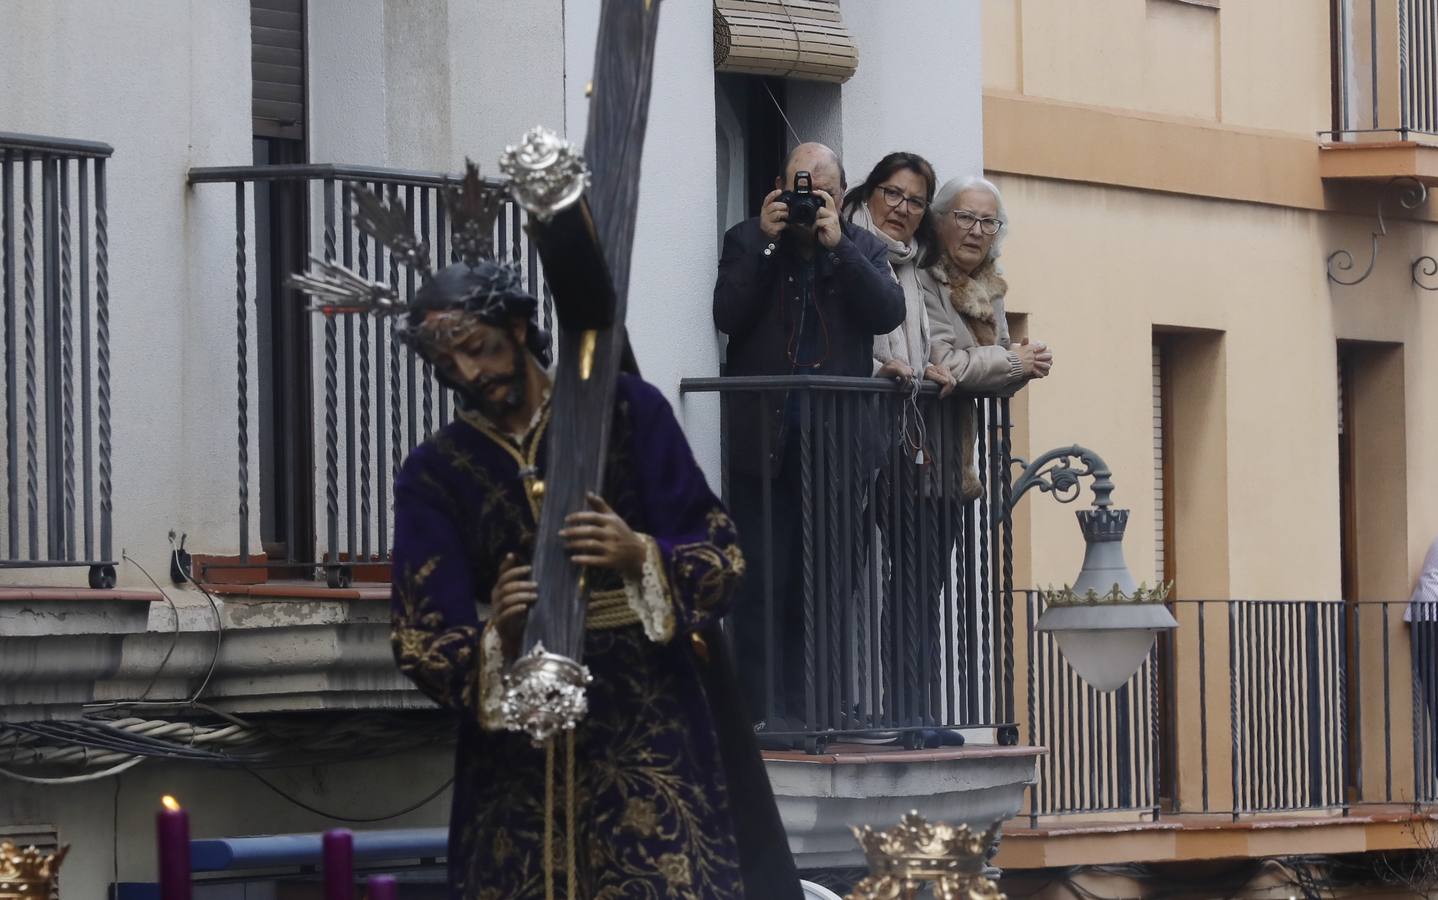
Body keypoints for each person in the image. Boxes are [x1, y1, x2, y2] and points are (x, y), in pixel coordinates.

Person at [293, 177, 801, 899]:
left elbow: (725, 556)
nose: (469, 373)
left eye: (478, 348)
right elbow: (420, 637)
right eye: (448, 364)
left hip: (647, 724)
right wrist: (498, 632)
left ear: (520, 329)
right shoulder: (436, 472)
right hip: (516, 758)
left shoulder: (626, 413)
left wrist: (641, 555)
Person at [713, 142, 906, 735]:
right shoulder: (749, 241)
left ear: (841, 197)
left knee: (825, 583)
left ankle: (817, 711)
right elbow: (728, 313)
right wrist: (771, 243)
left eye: (821, 193)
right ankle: (761, 712)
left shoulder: (861, 246)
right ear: (776, 186)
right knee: (760, 579)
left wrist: (839, 248)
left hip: (839, 449)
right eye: (800, 190)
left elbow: (888, 312)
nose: (808, 203)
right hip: (762, 447)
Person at [923, 175, 1052, 500]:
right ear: (939, 222)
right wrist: (1012, 361)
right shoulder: (924, 276)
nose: (977, 231)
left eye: (988, 222)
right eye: (965, 217)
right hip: (917, 458)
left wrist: (1028, 362)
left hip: (954, 466)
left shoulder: (988, 285)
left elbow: (993, 371)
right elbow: (945, 362)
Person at [841, 151, 954, 397]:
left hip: (897, 422)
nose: (903, 209)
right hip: (847, 414)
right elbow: (825, 346)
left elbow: (908, 355)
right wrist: (877, 372)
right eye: (892, 193)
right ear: (869, 193)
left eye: (916, 202)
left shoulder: (913, 264)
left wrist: (926, 371)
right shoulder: (839, 247)